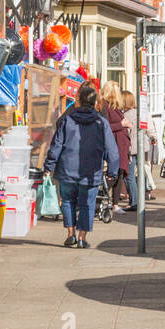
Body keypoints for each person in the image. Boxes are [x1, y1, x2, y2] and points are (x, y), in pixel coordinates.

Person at [44, 81, 118, 249]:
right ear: (94, 102)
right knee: (87, 204)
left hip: (67, 169)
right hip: (91, 171)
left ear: (78, 100)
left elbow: (56, 145)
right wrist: (112, 171)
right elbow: (112, 150)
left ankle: (70, 234)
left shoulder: (67, 120)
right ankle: (82, 237)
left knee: (68, 201)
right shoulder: (101, 123)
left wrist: (49, 166)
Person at [99, 82, 134, 212]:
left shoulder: (115, 107)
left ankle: (115, 204)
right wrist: (121, 124)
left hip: (122, 145)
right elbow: (104, 127)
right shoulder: (104, 106)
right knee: (113, 174)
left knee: (119, 174)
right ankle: (100, 198)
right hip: (114, 145)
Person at [120, 89, 150, 210]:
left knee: (129, 175)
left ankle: (134, 201)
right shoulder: (139, 113)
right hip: (142, 148)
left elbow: (126, 135)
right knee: (140, 174)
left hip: (131, 149)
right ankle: (139, 199)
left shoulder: (125, 116)